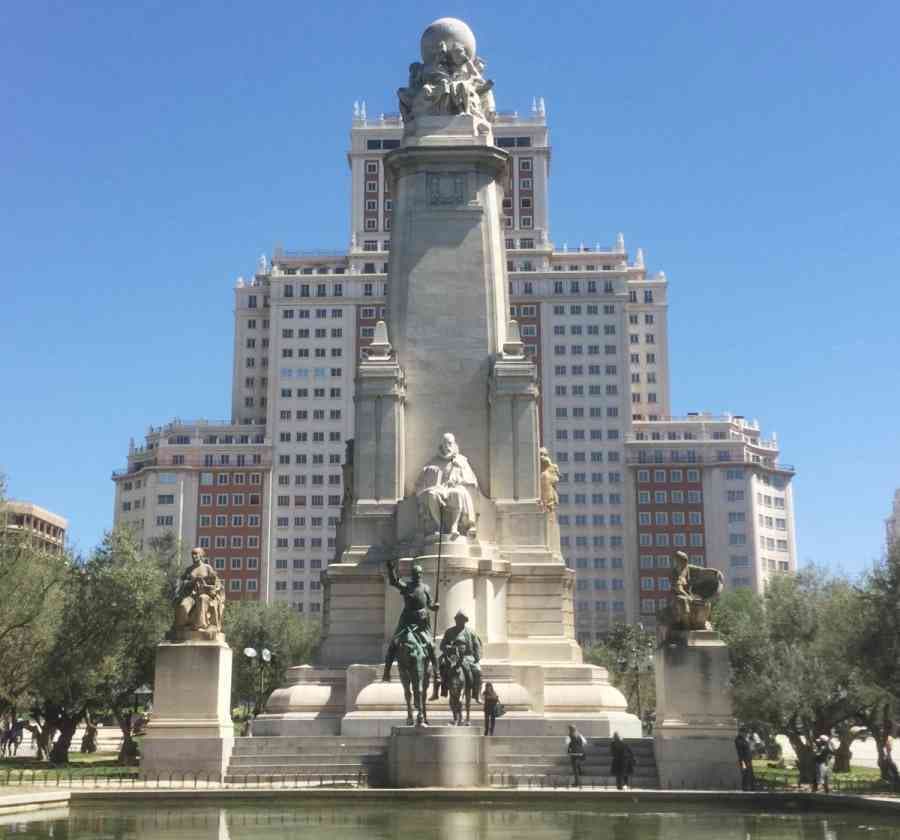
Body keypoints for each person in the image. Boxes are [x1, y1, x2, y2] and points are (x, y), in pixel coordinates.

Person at [382, 559, 441, 700]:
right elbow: (394, 581)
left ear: (421, 574)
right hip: (407, 621)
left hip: (422, 622)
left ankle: (437, 674)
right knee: (394, 643)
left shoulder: (426, 588)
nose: (417, 576)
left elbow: (430, 603)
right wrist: (391, 570)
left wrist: (434, 607)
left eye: (419, 573)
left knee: (431, 646)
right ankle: (387, 671)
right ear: (412, 575)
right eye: (415, 574)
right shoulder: (406, 586)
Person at [439, 610, 482, 702]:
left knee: (478, 671)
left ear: (465, 621)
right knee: (442, 668)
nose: (459, 621)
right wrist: (448, 648)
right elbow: (442, 646)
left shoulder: (471, 632)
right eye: (458, 619)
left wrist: (477, 658)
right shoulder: (449, 632)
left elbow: (477, 646)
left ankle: (476, 693)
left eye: (461, 620)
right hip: (452, 657)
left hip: (468, 657)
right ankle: (443, 689)